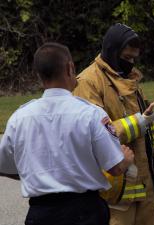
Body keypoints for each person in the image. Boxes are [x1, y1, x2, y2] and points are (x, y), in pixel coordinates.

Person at [0, 42, 135, 225]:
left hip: (41, 213)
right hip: (84, 212)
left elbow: (5, 167)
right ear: (70, 68)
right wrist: (125, 160)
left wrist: (35, 172)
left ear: (39, 74)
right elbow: (114, 167)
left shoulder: (20, 118)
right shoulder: (91, 114)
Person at [73, 23, 154, 225]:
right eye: (127, 58)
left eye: (134, 59)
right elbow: (95, 135)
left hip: (146, 192)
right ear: (113, 52)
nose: (131, 63)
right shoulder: (88, 82)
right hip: (115, 197)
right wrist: (141, 120)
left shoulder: (129, 79)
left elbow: (147, 126)